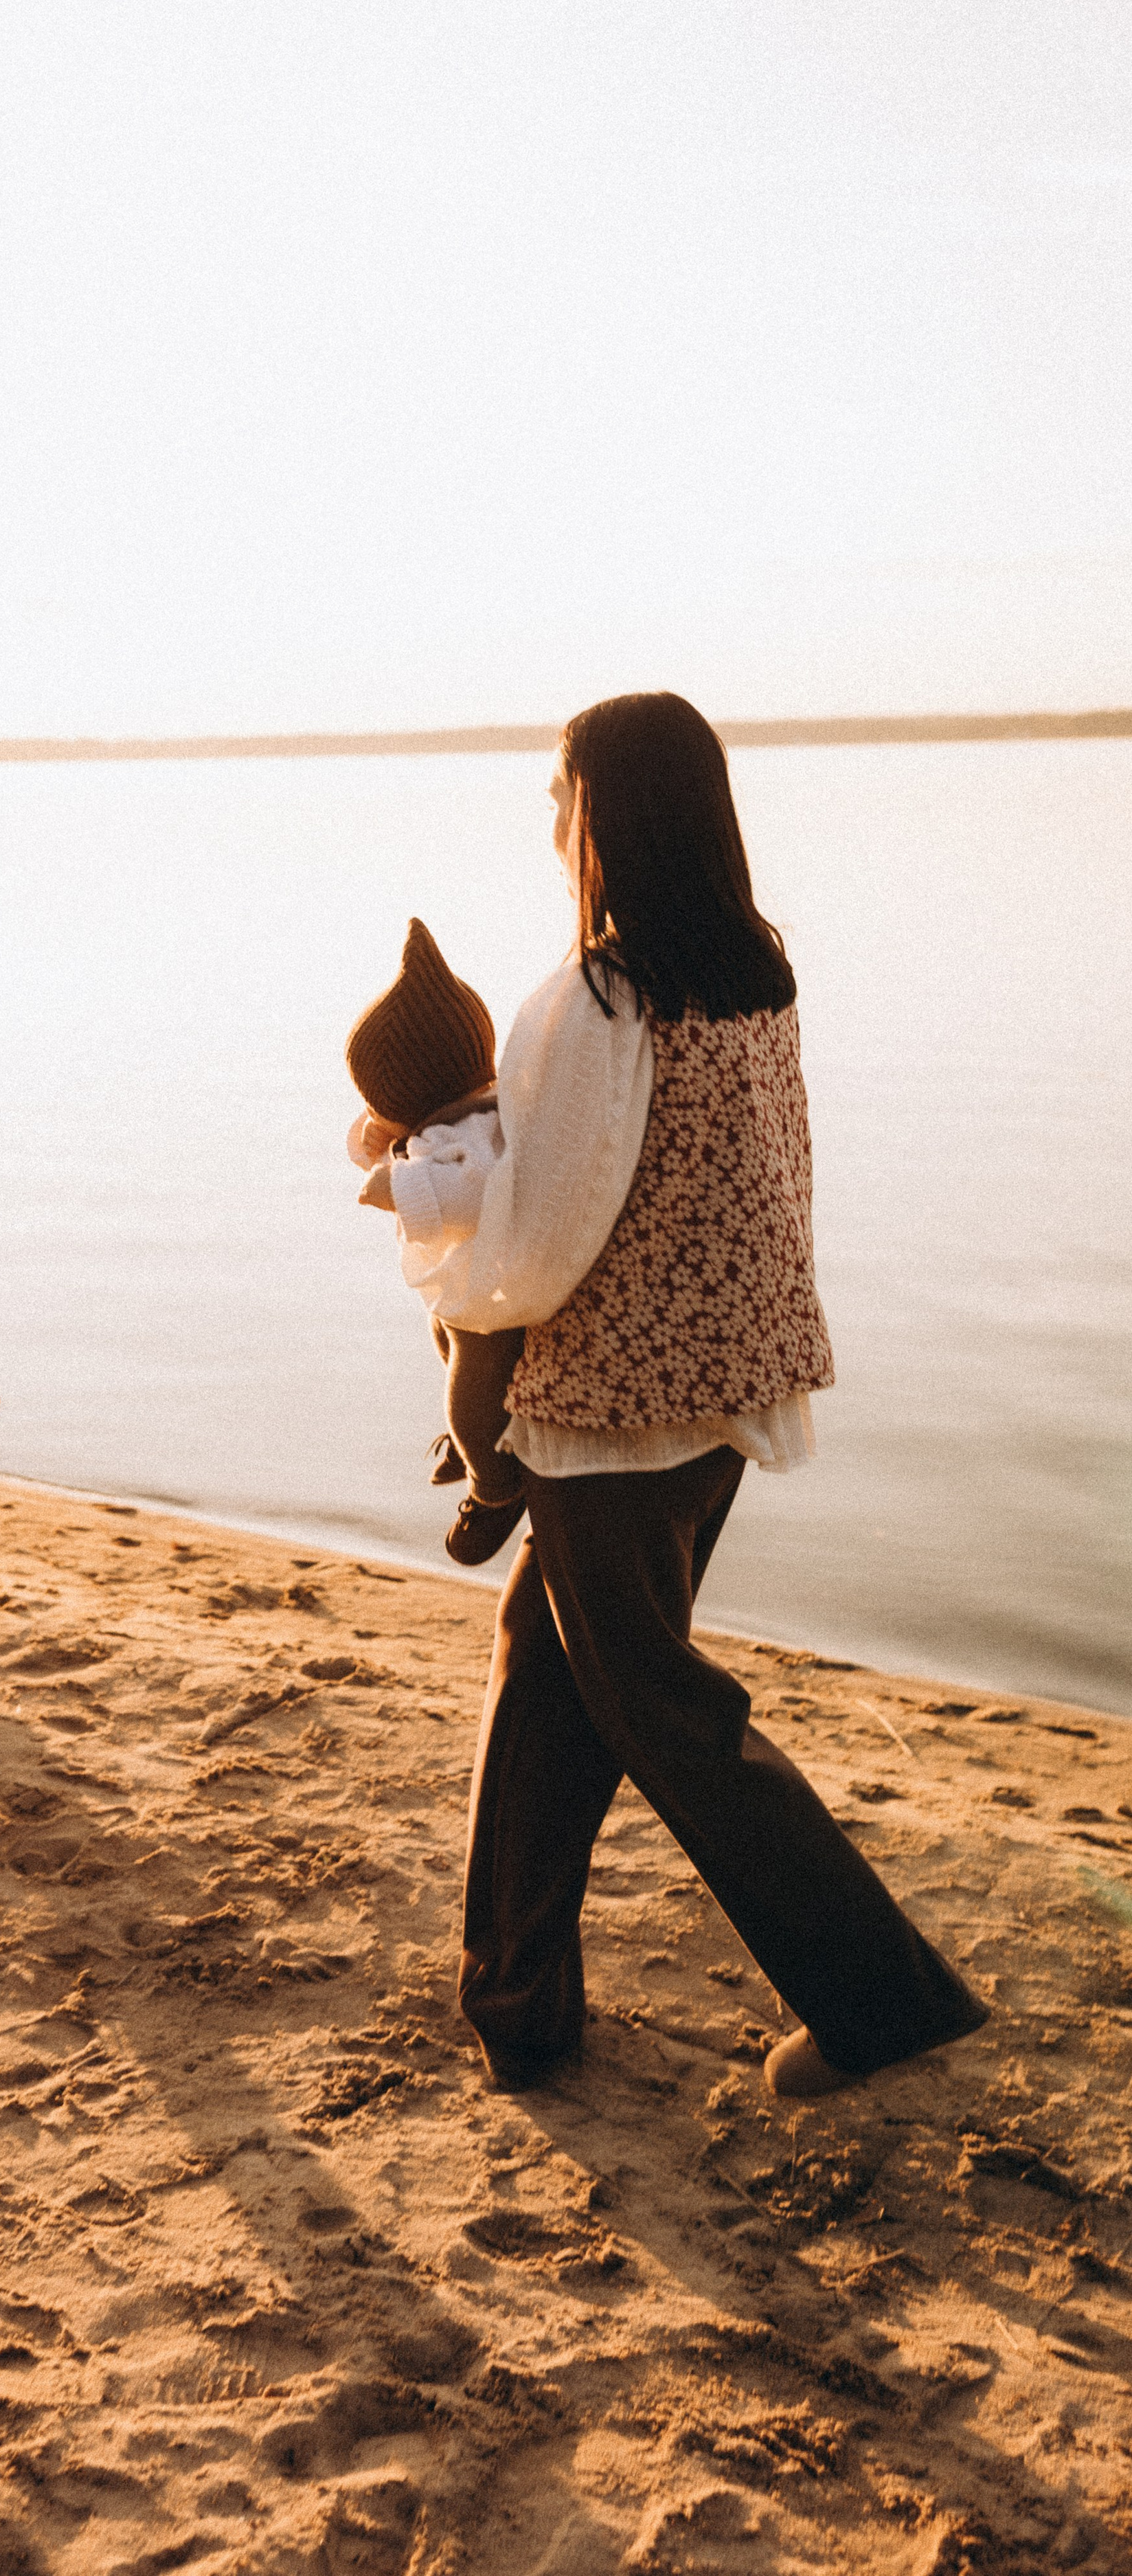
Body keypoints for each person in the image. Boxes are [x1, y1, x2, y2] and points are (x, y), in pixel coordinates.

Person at [365, 693, 986, 2102]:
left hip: (610, 1417)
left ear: (606, 814)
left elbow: (535, 1247)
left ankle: (883, 1999)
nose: (548, 821)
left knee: (660, 1715)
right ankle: (515, 2000)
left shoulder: (593, 1000)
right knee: (546, 1687)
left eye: (559, 795)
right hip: (719, 1395)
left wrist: (431, 1238)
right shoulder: (752, 975)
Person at [345, 918, 526, 1564]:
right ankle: (478, 1439)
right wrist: (379, 1142)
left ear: (412, 1093)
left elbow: (473, 1194)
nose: (371, 1116)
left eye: (377, 1102)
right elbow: (394, 1147)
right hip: (468, 1292)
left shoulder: (476, 1136)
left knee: (469, 1390)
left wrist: (397, 1187)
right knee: (446, 1345)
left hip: (496, 1302)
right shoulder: (453, 1115)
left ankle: (495, 1485)